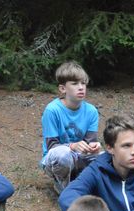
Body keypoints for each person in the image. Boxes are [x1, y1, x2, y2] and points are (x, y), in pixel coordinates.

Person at [40, 61, 101, 193]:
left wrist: (94, 147)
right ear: (63, 88)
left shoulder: (91, 111)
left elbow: (90, 141)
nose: (81, 87)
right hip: (55, 159)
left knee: (108, 157)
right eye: (75, 83)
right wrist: (72, 146)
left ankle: (86, 183)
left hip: (80, 157)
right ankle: (64, 188)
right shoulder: (52, 110)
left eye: (83, 83)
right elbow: (51, 146)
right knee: (63, 154)